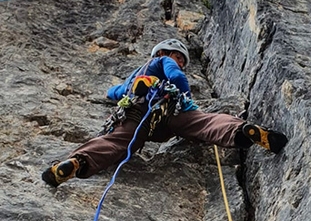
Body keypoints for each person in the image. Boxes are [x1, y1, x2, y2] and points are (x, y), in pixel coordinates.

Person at [41, 38, 288, 188]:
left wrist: (127, 90)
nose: (179, 61)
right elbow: (177, 77)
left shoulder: (131, 77)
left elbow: (112, 92)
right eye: (177, 56)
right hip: (167, 108)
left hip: (135, 113)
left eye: (182, 59)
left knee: (119, 141)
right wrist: (185, 96)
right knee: (203, 122)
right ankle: (242, 131)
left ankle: (78, 162)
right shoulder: (161, 62)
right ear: (162, 53)